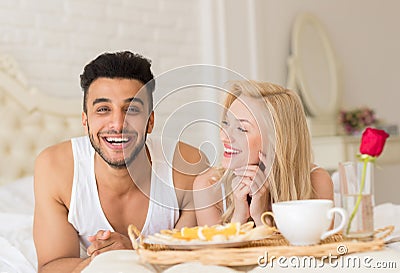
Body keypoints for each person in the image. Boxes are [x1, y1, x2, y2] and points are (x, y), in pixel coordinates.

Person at [33, 51, 208, 273]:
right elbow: (51, 266)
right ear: (85, 121)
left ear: (150, 121)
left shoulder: (188, 167)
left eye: (132, 109)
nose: (118, 124)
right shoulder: (55, 168)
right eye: (103, 109)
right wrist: (110, 261)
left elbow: (195, 259)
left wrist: (135, 251)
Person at [193, 80, 333, 227]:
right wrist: (239, 216)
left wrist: (260, 217)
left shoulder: (316, 181)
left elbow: (320, 249)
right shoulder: (208, 186)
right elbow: (215, 250)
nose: (224, 136)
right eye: (226, 123)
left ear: (276, 140)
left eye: (241, 129)